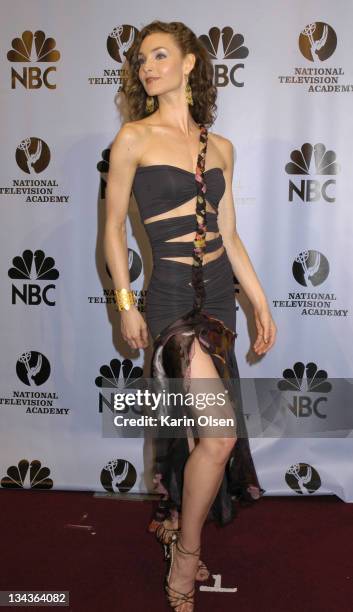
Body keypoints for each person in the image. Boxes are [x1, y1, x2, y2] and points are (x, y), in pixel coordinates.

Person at [104, 20, 277, 612]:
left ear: (191, 63)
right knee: (220, 436)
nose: (147, 67)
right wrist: (126, 304)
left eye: (159, 55)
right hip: (172, 300)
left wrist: (258, 300)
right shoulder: (132, 138)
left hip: (220, 302)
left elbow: (229, 235)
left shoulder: (219, 147)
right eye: (140, 59)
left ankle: (180, 525)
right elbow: (111, 234)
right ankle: (185, 557)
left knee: (203, 437)